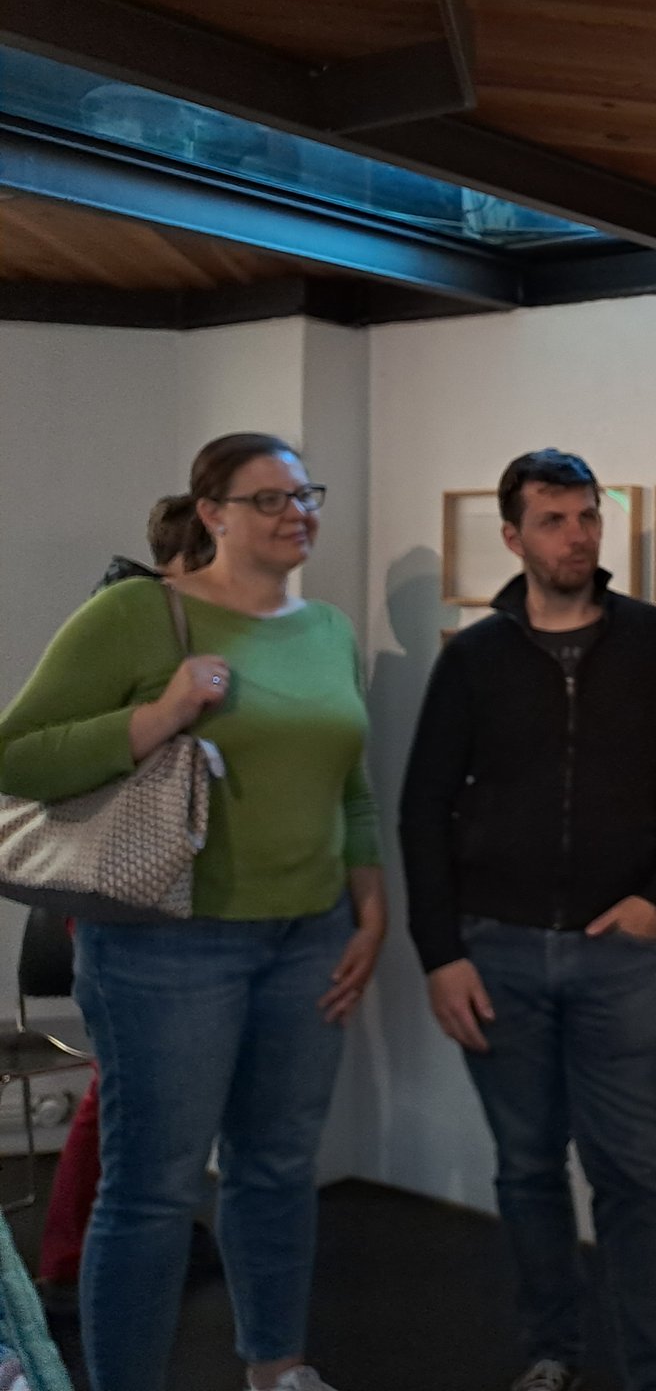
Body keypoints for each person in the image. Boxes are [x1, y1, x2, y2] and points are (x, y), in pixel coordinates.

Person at [0, 433, 386, 1391]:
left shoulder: (327, 629)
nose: (298, 513)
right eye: (270, 499)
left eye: (306, 495)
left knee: (278, 1169)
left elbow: (350, 786)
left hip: (310, 938)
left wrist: (370, 907)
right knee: (153, 1191)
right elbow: (16, 753)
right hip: (168, 949)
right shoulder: (140, 614)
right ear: (212, 513)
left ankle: (278, 1369)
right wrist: (160, 715)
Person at [401, 449, 656, 1391]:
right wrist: (440, 953)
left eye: (587, 517)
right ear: (514, 537)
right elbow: (423, 808)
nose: (577, 536)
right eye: (554, 520)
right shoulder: (474, 658)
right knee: (527, 1168)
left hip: (614, 957)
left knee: (630, 1176)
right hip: (495, 954)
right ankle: (553, 1352)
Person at [37, 493, 220, 1318]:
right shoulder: (132, 627)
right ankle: (75, 1256)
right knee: (120, 1084)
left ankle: (112, 1247)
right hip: (127, 885)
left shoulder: (156, 621)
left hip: (153, 884)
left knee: (140, 1086)